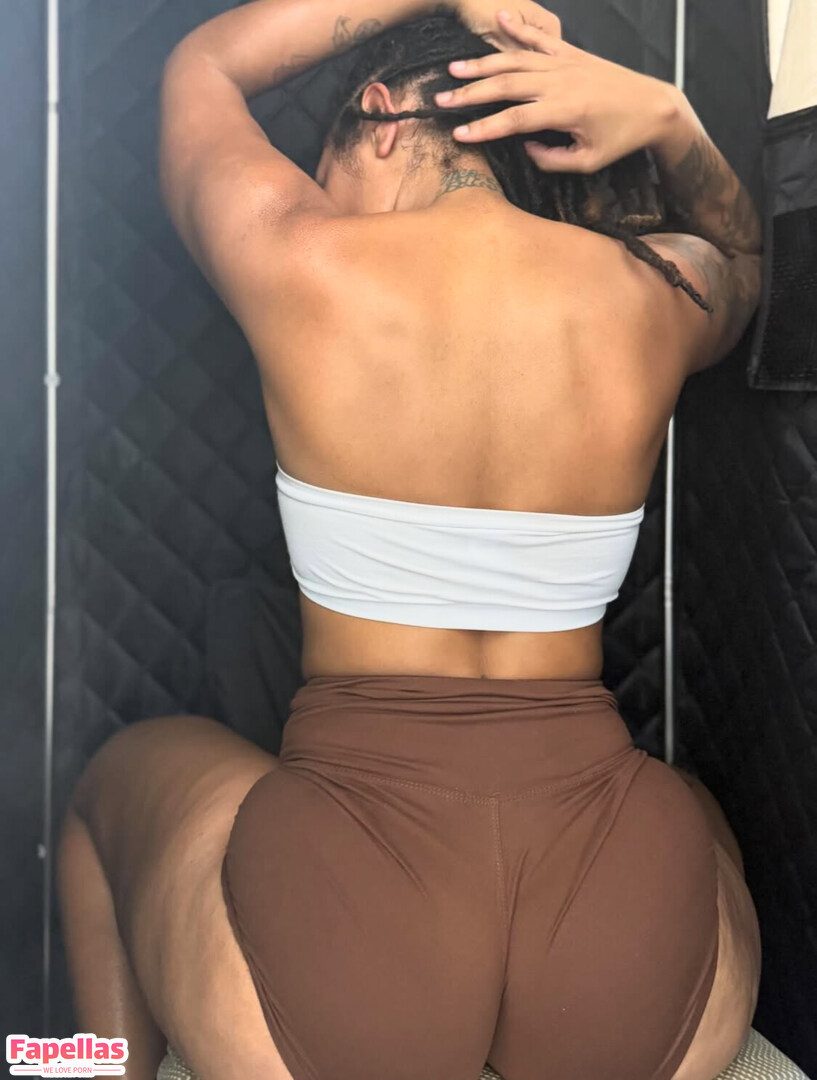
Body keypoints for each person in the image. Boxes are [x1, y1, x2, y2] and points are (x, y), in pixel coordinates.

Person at [56, 1, 764, 1079]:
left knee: (109, 786)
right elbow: (745, 254)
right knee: (687, 806)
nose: (316, 186)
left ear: (380, 116)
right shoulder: (648, 291)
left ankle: (86, 1070)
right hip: (620, 953)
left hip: (348, 949)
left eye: (323, 160)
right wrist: (668, 116)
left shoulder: (297, 253)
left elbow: (203, 67)